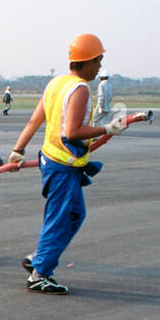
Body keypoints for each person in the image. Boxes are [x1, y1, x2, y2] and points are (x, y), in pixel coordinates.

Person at [7, 33, 130, 294]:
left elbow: (34, 121)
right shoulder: (81, 89)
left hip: (54, 161)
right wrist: (106, 127)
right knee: (60, 218)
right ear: (86, 61)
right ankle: (40, 274)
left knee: (73, 214)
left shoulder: (56, 84)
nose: (99, 67)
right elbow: (72, 132)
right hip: (62, 166)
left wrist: (18, 150)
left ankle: (39, 258)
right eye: (98, 61)